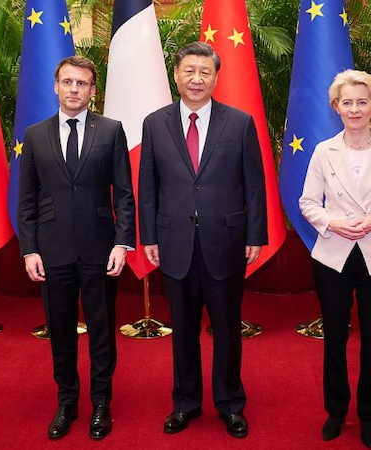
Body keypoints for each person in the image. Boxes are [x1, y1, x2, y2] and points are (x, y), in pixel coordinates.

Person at [138, 41, 267, 439]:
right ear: (176, 75)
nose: (196, 79)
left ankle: (230, 403)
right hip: (174, 243)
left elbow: (254, 184)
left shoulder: (240, 122)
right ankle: (185, 403)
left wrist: (255, 234)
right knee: (184, 329)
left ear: (216, 77)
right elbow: (148, 185)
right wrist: (149, 236)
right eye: (189, 71)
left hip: (225, 242)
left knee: (227, 329)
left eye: (205, 72)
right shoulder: (154, 122)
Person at [18, 55, 135, 441]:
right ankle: (67, 401)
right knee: (61, 331)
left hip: (101, 250)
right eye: (67, 82)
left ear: (92, 90)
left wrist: (122, 241)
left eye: (82, 83)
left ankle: (102, 402)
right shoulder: (35, 135)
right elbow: (27, 199)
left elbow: (124, 194)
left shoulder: (111, 131)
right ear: (56, 86)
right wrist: (29, 249)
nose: (74, 89)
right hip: (51, 253)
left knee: (102, 331)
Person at [299, 69, 371, 449]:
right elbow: (306, 203)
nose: (354, 109)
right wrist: (332, 222)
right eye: (347, 102)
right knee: (333, 337)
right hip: (333, 255)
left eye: (362, 102)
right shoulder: (322, 151)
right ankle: (336, 410)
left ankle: (369, 414)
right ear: (336, 107)